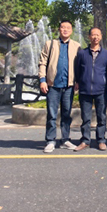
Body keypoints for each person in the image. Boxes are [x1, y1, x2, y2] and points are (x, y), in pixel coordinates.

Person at [38, 20, 81, 153]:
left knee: (66, 114)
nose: (65, 30)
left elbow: (79, 66)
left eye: (68, 28)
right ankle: (50, 140)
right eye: (63, 27)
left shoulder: (77, 46)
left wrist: (78, 81)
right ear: (59, 29)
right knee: (51, 114)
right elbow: (42, 63)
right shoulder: (50, 44)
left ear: (71, 30)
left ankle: (65, 140)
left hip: (69, 86)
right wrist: (42, 80)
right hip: (53, 85)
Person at [73, 28, 107, 151]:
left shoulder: (106, 54)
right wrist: (78, 81)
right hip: (85, 90)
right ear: (89, 37)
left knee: (101, 117)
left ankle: (101, 140)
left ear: (101, 36)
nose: (95, 37)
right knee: (86, 118)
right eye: (93, 35)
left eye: (98, 35)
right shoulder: (82, 53)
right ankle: (85, 140)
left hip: (101, 90)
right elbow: (77, 69)